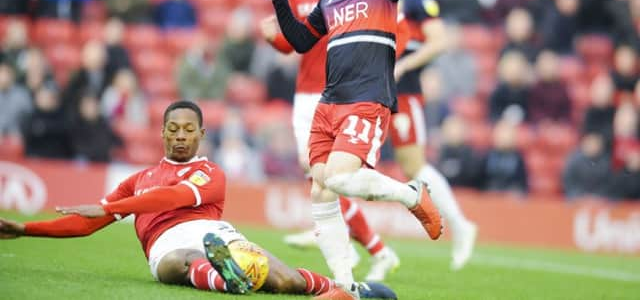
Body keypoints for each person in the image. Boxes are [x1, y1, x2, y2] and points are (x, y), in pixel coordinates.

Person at [264, 0, 495, 299]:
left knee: (337, 177)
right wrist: (281, 1)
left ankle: (411, 194)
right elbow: (301, 42)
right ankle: (344, 287)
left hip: (366, 98)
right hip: (329, 102)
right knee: (321, 189)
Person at [0, 100, 396, 299]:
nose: (179, 136)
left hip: (219, 235)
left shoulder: (210, 173)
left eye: (188, 130)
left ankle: (350, 291)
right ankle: (228, 278)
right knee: (179, 261)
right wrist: (25, 229)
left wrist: (110, 208)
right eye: (172, 129)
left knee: (284, 280)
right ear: (162, 132)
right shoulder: (137, 180)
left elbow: (169, 197)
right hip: (167, 249)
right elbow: (87, 224)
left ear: (201, 134)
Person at [260, 0, 399, 281]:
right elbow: (296, 42)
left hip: (344, 91)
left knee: (323, 175)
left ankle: (367, 247)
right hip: (307, 92)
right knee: (317, 174)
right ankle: (371, 249)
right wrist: (273, 38)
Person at [390, 0, 477, 271]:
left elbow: (439, 42)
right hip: (380, 88)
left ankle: (460, 224)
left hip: (405, 91)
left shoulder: (419, 0)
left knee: (414, 166)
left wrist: (406, 66)